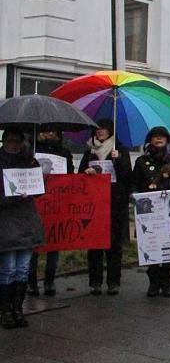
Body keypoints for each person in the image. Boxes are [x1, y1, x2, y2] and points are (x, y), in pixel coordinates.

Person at [132, 126, 170, 298]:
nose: (158, 139)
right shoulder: (141, 161)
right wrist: (133, 194)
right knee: (151, 247)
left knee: (169, 249)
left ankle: (167, 284)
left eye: (162, 137)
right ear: (150, 140)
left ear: (167, 140)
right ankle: (153, 283)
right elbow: (134, 183)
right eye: (155, 136)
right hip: (149, 214)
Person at [80, 119, 132, 296]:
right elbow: (80, 176)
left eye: (104, 128)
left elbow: (127, 176)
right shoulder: (89, 151)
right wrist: (86, 173)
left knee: (113, 244)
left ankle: (113, 282)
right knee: (94, 244)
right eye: (97, 129)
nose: (100, 131)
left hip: (114, 203)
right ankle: (95, 282)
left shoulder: (120, 150)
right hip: (93, 204)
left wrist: (119, 160)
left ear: (110, 131)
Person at [0, 129, 44, 329]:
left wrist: (36, 175)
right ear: (4, 141)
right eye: (10, 141)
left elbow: (39, 190)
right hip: (6, 223)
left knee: (23, 269)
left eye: (17, 141)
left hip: (27, 222)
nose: (14, 145)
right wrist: (14, 197)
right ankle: (5, 310)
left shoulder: (29, 161)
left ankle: (18, 309)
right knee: (8, 269)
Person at [27, 126, 74, 296]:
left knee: (54, 242)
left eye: (53, 131)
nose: (49, 134)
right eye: (45, 131)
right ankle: (31, 281)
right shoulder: (30, 151)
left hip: (56, 203)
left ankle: (49, 280)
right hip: (35, 202)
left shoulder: (64, 152)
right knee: (33, 244)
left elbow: (70, 175)